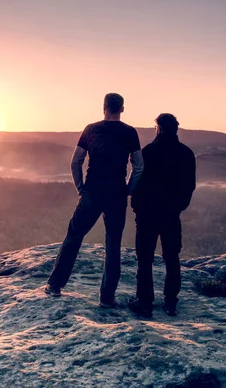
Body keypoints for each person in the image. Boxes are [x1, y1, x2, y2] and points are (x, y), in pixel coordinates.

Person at [44, 93, 144, 307]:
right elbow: (139, 166)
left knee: (74, 236)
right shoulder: (129, 132)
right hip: (116, 193)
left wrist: (81, 187)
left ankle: (55, 285)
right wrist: (128, 189)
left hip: (92, 192)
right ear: (122, 109)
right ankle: (107, 298)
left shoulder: (91, 129)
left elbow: (76, 162)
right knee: (113, 243)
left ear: (104, 107)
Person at [128, 113, 196, 318]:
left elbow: (137, 180)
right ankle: (170, 302)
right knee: (172, 257)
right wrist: (178, 208)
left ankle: (145, 303)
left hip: (147, 213)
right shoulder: (186, 153)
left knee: (145, 258)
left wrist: (136, 206)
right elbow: (189, 187)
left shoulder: (148, 152)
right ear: (176, 128)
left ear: (158, 128)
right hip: (171, 214)